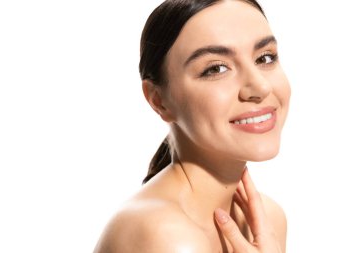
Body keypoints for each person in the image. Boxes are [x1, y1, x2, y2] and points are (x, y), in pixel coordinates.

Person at [94, 0, 291, 252]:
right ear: (159, 100)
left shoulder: (268, 221)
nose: (261, 87)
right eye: (216, 68)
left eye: (265, 57)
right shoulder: (166, 235)